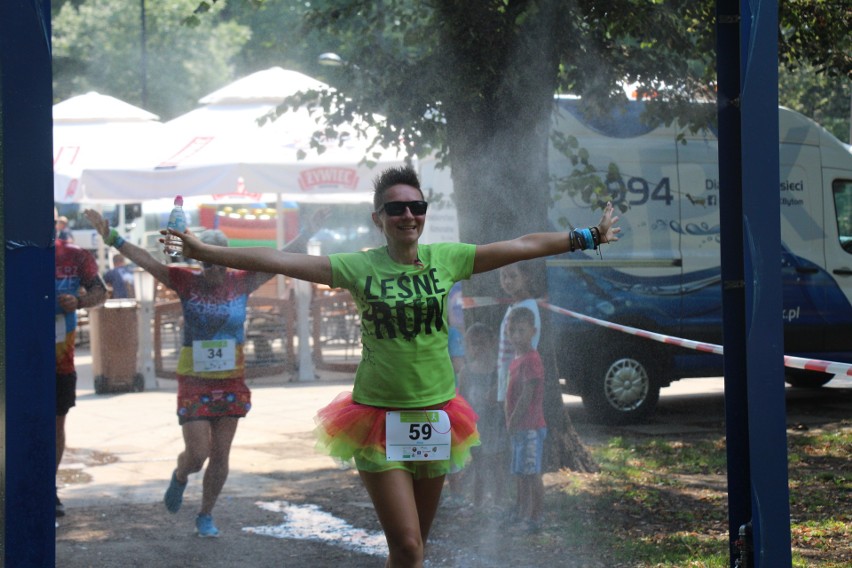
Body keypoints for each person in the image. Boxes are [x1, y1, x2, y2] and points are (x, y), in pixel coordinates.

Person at [165, 165, 620, 566]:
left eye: (415, 207)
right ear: (378, 219)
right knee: (405, 544)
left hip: (437, 416)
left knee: (413, 548)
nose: (408, 216)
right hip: (378, 419)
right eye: (395, 209)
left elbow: (522, 244)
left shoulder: (448, 259)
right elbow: (278, 260)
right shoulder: (359, 268)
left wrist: (587, 236)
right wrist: (204, 252)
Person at [84, 207, 326, 538]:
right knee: (198, 454)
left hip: (231, 380)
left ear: (226, 258)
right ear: (198, 259)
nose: (211, 267)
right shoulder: (185, 281)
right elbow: (147, 261)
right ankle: (181, 475)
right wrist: (112, 237)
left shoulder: (243, 281)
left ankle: (205, 513)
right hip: (194, 380)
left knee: (220, 455)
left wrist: (308, 232)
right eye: (205, 260)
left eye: (217, 260)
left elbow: (280, 259)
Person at [55, 208, 107, 518]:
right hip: (17, 358)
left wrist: (79, 301)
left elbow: (101, 292)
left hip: (61, 359)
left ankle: (49, 486)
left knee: (55, 422)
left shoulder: (75, 255)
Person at [503, 307, 547, 532]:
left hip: (529, 426)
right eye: (512, 330)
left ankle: (535, 517)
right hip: (519, 427)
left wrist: (512, 419)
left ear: (533, 331)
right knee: (520, 472)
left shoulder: (531, 359)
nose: (516, 335)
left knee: (531, 473)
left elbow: (527, 394)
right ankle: (521, 512)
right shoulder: (517, 358)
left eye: (521, 331)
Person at [457, 322, 503, 510]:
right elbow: (462, 400)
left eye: (482, 343)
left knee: (497, 466)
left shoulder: (499, 370)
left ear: (492, 343)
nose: (478, 348)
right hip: (476, 428)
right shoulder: (466, 372)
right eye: (473, 344)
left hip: (497, 425)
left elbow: (507, 396)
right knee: (479, 467)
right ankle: (477, 504)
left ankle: (499, 503)